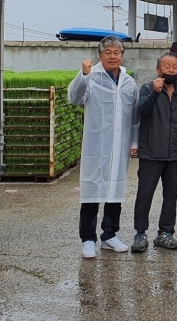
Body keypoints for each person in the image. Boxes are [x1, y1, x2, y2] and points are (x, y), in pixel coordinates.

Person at [68, 36, 139, 259]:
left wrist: (134, 142)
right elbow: (74, 98)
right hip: (96, 145)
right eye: (108, 52)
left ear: (122, 56)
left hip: (120, 145)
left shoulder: (128, 82)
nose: (112, 56)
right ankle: (88, 239)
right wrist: (84, 74)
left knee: (114, 191)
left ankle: (109, 235)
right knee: (91, 192)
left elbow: (135, 116)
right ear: (100, 55)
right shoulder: (92, 77)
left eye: (116, 52)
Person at [130, 51, 177, 253]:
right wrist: (155, 93)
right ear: (158, 69)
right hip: (151, 152)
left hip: (174, 154)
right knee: (145, 194)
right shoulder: (147, 89)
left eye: (174, 66)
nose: (171, 70)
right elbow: (142, 113)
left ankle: (166, 233)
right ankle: (140, 233)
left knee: (171, 195)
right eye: (167, 66)